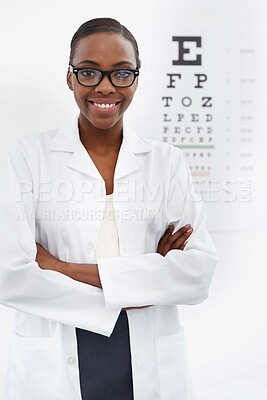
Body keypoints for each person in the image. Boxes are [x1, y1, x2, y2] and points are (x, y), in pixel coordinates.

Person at [0, 17, 218, 400]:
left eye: (120, 74)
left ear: (135, 79)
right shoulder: (27, 157)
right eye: (88, 72)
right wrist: (146, 283)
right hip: (53, 356)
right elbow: (10, 275)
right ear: (69, 78)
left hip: (149, 356)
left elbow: (198, 273)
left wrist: (61, 267)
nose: (104, 87)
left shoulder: (164, 161)